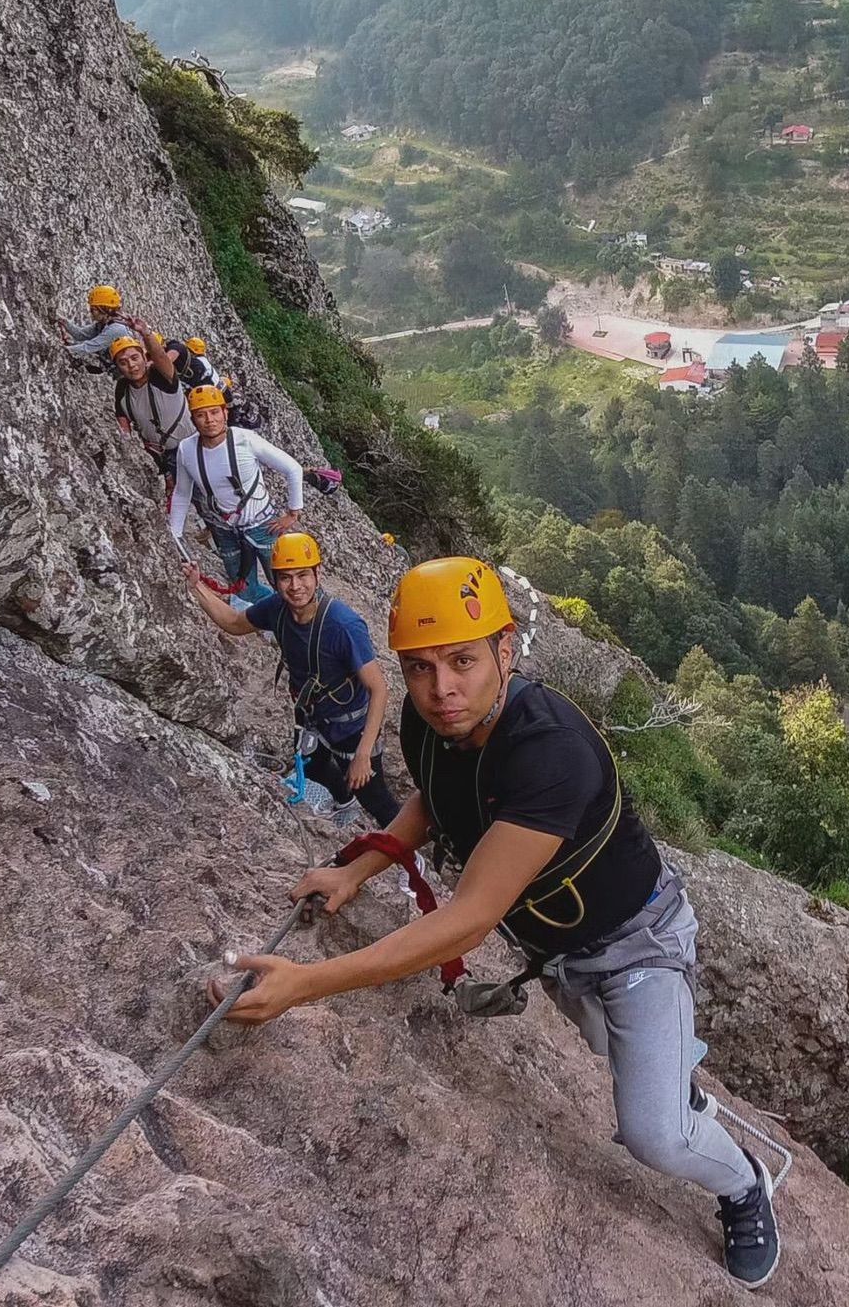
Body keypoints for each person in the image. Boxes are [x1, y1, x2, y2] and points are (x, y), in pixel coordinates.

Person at [209, 557, 781, 1290]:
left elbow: (470, 918)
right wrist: (358, 868)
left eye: (463, 661)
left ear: (505, 651)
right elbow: (439, 801)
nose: (442, 688)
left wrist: (306, 984)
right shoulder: (433, 719)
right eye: (420, 667)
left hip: (639, 941)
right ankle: (673, 1081)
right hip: (562, 953)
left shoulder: (551, 750)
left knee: (655, 1132)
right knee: (618, 1051)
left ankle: (743, 1184)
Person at [182, 531, 400, 829]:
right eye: (285, 578)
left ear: (316, 574)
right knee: (313, 766)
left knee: (374, 798)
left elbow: (379, 689)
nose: (295, 586)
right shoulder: (276, 609)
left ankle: (412, 860)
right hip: (312, 716)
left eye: (302, 575)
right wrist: (197, 589)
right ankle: (343, 802)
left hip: (352, 726)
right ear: (275, 579)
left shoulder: (343, 624)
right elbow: (234, 623)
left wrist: (363, 754)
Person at [169, 386, 304, 604]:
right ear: (193, 419)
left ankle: (299, 622)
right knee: (244, 590)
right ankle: (273, 618)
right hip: (225, 528)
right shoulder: (187, 449)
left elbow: (293, 468)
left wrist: (293, 513)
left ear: (225, 413)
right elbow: (182, 493)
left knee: (285, 584)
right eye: (201, 415)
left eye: (214, 412)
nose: (209, 420)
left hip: (262, 524)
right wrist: (174, 532)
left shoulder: (245, 439)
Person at [111, 322, 196, 495]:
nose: (132, 366)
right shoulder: (122, 389)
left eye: (135, 358)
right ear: (118, 367)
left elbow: (163, 357)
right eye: (123, 362)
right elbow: (123, 419)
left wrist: (146, 334)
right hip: (164, 457)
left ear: (144, 358)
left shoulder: (161, 377)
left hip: (193, 447)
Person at [57, 284, 133, 366]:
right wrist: (62, 321)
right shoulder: (103, 324)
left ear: (105, 310)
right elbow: (80, 334)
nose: (91, 312)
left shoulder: (116, 329)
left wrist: (59, 350)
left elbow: (87, 348)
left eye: (93, 309)